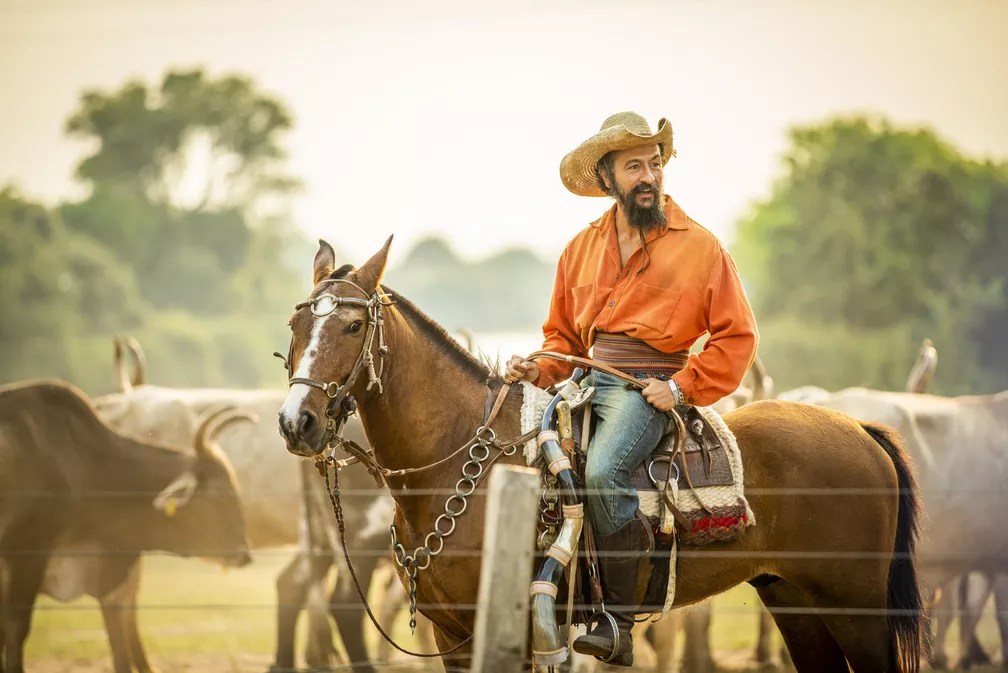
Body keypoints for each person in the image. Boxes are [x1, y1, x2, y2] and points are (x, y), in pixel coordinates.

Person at [504, 112, 758, 665]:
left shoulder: (701, 247)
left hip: (650, 386)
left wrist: (684, 387)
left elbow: (738, 335)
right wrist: (536, 369)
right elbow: (562, 336)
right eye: (634, 166)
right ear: (607, 177)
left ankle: (617, 624)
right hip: (583, 379)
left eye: (656, 164)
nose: (649, 176)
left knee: (601, 471)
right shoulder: (580, 248)